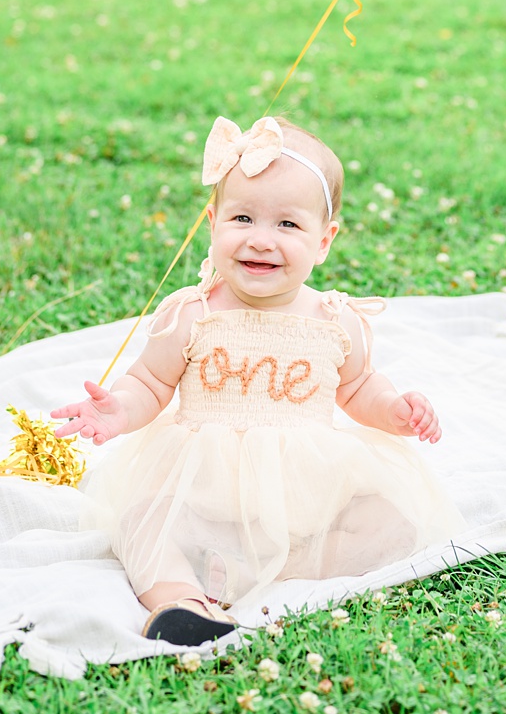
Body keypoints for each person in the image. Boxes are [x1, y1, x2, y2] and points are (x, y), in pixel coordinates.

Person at [49, 115, 456, 646]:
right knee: (138, 518)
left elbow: (358, 387)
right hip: (199, 495)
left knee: (393, 521)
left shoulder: (336, 320)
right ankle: (181, 602)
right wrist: (119, 410)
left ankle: (269, 573)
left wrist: (396, 411)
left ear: (324, 241)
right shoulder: (193, 314)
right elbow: (149, 382)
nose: (261, 240)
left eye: (287, 225)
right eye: (242, 218)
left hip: (304, 500)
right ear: (213, 222)